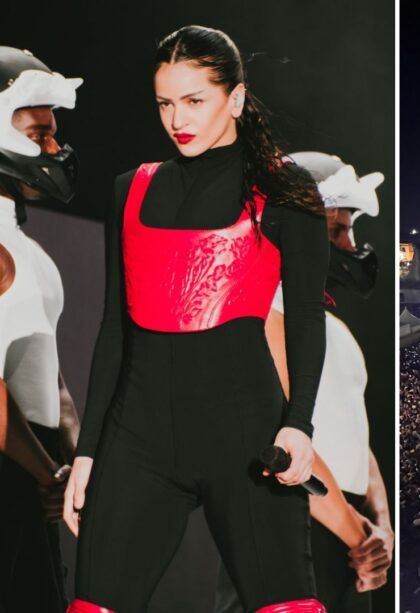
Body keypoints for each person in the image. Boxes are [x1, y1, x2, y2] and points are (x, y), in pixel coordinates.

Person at [62, 26, 330, 613]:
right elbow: (115, 328)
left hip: (247, 441)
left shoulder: (284, 189)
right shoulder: (129, 189)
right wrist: (88, 452)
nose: (177, 119)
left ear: (234, 98)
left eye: (194, 100)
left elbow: (308, 317)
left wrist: (300, 424)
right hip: (138, 443)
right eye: (165, 103)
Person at [214, 153, 393, 613]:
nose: (351, 246)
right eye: (337, 230)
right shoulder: (260, 314)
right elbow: (282, 446)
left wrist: (382, 526)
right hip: (294, 526)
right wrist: (361, 535)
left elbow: (357, 437)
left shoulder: (333, 329)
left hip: (348, 536)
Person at [0, 45, 82, 613]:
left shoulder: (27, 248)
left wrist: (75, 462)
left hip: (34, 472)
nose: (53, 148)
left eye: (53, 133)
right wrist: (48, 470)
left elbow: (48, 378)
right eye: (38, 133)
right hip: (16, 468)